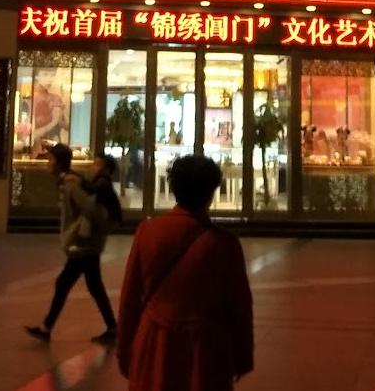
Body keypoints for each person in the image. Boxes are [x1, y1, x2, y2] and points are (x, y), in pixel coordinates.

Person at [117, 155, 254, 391]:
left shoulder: (148, 232)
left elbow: (130, 299)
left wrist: (125, 351)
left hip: (155, 341)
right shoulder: (225, 243)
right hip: (205, 348)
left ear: (173, 188)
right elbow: (239, 306)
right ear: (211, 192)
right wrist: (242, 356)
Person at [26, 147, 121, 343]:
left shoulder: (71, 185)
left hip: (84, 244)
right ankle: (112, 328)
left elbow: (89, 209)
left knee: (65, 283)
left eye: (50, 158)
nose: (47, 162)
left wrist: (78, 231)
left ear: (59, 162)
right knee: (92, 285)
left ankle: (47, 328)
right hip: (86, 244)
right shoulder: (69, 182)